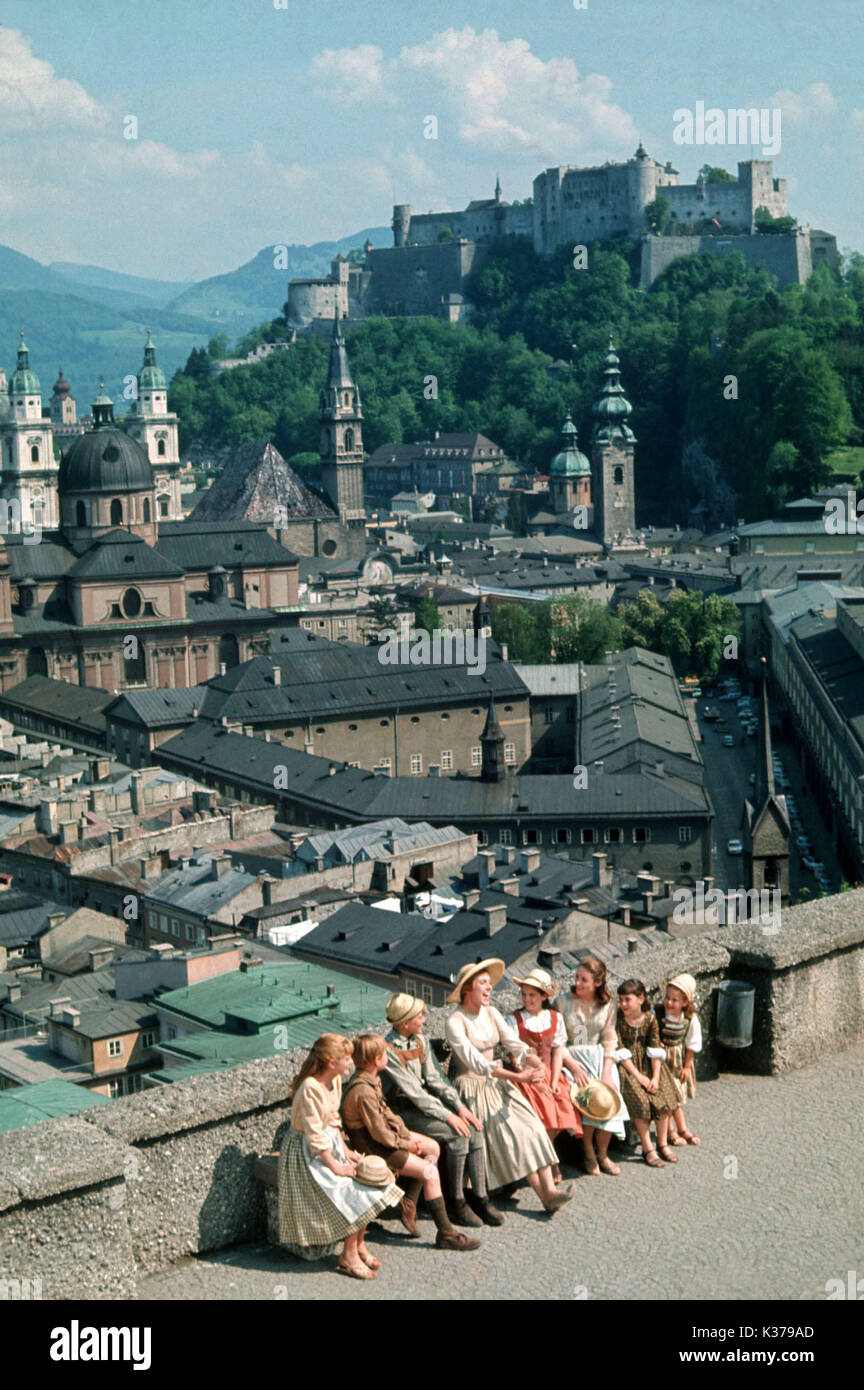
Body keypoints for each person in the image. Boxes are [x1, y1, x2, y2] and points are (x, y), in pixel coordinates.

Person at [445, 958, 575, 1214]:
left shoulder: (491, 1013)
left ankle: (550, 1191)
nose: (490, 988)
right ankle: (546, 1195)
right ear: (467, 988)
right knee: (513, 1135)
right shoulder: (455, 1022)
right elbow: (478, 1064)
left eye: (489, 983)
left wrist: (535, 1062)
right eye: (483, 983)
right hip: (472, 1088)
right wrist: (522, 1078)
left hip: (498, 1083)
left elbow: (514, 1044)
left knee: (533, 1125)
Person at [276, 1032, 403, 1280]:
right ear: (332, 1062)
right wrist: (336, 1166)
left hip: (329, 1145)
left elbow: (333, 1119)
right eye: (346, 1059)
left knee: (371, 1179)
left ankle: (357, 1246)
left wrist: (345, 1151)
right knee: (350, 1189)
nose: (351, 1062)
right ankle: (349, 1255)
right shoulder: (310, 1088)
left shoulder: (334, 1080)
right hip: (307, 1154)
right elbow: (314, 1134)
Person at [341, 1034, 481, 1252]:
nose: (388, 1056)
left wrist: (407, 1137)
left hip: (383, 1141)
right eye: (385, 1054)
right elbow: (379, 1134)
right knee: (430, 1173)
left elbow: (387, 1118)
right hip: (375, 1149)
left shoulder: (371, 1080)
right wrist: (406, 1145)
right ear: (376, 1060)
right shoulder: (363, 1091)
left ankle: (409, 1202)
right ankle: (446, 1233)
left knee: (432, 1147)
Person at [381, 992, 502, 1228]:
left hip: (425, 1104)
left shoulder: (420, 1041)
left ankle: (479, 1197)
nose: (425, 1020)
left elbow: (437, 1080)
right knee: (457, 1134)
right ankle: (456, 1202)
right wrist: (448, 1116)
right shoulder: (389, 1051)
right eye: (420, 1016)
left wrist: (460, 1108)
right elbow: (415, 1094)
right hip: (403, 1110)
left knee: (473, 1128)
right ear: (404, 1023)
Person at [505, 967, 583, 1179]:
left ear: (543, 996)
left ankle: (547, 1156)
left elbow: (558, 1052)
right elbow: (515, 1058)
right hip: (527, 1076)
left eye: (532, 995)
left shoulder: (554, 1018)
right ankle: (549, 1161)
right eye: (524, 994)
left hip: (550, 1071)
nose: (527, 999)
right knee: (543, 1108)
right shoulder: (515, 1020)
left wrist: (556, 1078)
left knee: (564, 1103)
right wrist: (532, 1078)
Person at [560, 956, 629, 1176]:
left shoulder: (607, 1005)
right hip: (571, 1058)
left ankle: (603, 1153)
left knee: (608, 1094)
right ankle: (588, 1152)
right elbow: (557, 1041)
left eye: (584, 980)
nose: (577, 983)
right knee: (587, 1096)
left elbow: (609, 1039)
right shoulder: (563, 1002)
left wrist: (607, 1072)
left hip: (598, 1057)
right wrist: (571, 1065)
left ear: (597, 984)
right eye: (577, 978)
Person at [615, 978, 681, 1167]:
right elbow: (620, 1051)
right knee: (641, 1100)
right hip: (628, 1067)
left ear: (641, 999)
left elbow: (654, 1048)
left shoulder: (650, 1018)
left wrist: (656, 1076)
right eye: (621, 1000)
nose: (623, 1004)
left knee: (663, 1096)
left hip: (649, 1063)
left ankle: (661, 1143)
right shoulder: (619, 1019)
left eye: (627, 999)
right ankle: (647, 1148)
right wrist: (640, 1077)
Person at [655, 974, 702, 1146]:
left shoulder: (690, 1020)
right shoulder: (659, 1014)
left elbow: (692, 1045)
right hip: (661, 1061)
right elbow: (652, 1032)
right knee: (667, 1100)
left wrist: (687, 1067)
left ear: (685, 1002)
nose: (669, 1003)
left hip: (677, 1061)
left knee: (676, 1098)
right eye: (667, 998)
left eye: (674, 1000)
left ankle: (681, 1129)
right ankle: (672, 1131)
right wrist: (656, 1042)